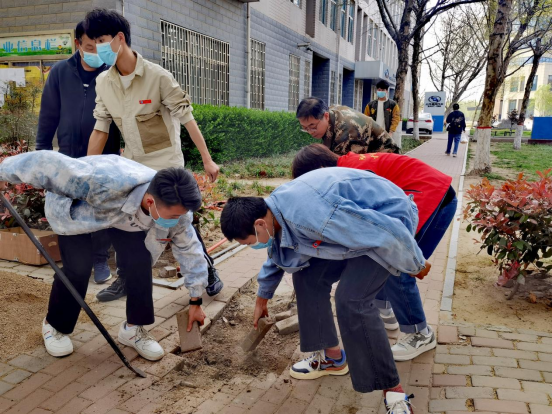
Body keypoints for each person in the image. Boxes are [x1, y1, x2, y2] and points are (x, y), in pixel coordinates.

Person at [220, 167, 431, 413]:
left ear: (259, 224)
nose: (252, 246)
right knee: (307, 277)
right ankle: (333, 358)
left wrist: (415, 263)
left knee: (352, 300)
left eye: (249, 242)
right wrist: (262, 298)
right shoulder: (274, 213)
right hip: (354, 231)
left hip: (388, 221)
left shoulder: (311, 215)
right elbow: (277, 252)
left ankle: (393, 391)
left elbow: (382, 230)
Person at [0, 151, 208, 361]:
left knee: (139, 262)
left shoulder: (178, 210)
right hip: (78, 212)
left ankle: (133, 329)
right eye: (173, 216)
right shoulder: (103, 181)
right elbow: (46, 164)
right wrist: (3, 173)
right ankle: (54, 326)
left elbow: (190, 251)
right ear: (150, 201)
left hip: (124, 219)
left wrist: (196, 301)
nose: (177, 220)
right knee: (79, 268)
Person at [81, 9, 223, 301]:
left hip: (166, 166)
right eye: (93, 43)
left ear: (120, 38)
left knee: (179, 220)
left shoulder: (157, 76)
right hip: (134, 168)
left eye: (102, 40)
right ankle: (126, 279)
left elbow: (186, 117)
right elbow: (100, 128)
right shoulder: (103, 82)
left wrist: (207, 159)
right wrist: (85, 173)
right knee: (130, 227)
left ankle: (206, 271)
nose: (97, 48)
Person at [291, 144, 458, 360]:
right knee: (378, 256)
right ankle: (385, 312)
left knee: (397, 262)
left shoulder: (345, 176)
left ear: (321, 169)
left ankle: (420, 333)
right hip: (430, 193)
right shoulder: (344, 167)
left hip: (430, 195)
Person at [36, 21, 122, 285]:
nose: (96, 51)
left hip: (104, 157)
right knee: (70, 208)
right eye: (89, 46)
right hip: (68, 156)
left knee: (99, 207)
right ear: (77, 44)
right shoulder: (60, 73)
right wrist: (42, 158)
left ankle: (99, 259)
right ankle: (75, 263)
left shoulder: (112, 73)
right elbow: (48, 117)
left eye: (100, 46)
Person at [296, 97, 400, 155]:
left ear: (326, 116)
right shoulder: (329, 114)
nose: (310, 131)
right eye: (305, 128)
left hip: (387, 161)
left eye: (313, 126)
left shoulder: (348, 131)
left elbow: (345, 171)